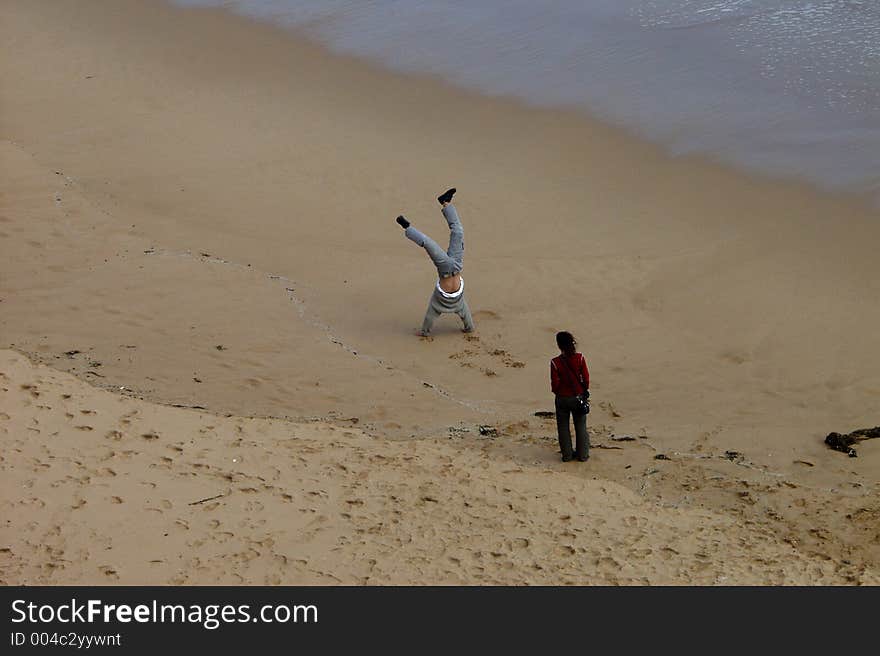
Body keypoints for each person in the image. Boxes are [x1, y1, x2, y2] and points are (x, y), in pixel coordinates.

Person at [395, 187, 475, 336]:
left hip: (444, 268)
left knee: (428, 244)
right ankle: (446, 202)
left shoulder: (436, 305)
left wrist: (424, 333)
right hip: (457, 265)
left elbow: (428, 321)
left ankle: (407, 227)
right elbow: (469, 325)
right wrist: (469, 329)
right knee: (458, 231)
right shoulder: (461, 305)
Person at [550, 331, 590, 462]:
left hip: (562, 398)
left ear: (559, 345)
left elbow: (555, 384)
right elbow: (586, 378)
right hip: (577, 396)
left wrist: (559, 392)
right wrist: (583, 390)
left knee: (563, 427)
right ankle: (583, 455)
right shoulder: (580, 358)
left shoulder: (555, 362)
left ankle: (567, 455)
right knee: (580, 425)